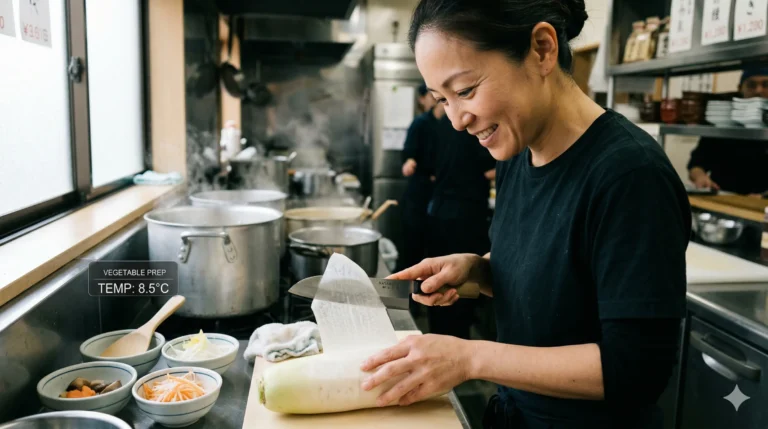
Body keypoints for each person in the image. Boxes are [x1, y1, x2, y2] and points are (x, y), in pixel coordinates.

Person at [358, 1, 691, 428]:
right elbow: (560, 281)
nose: (457, 120)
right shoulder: (517, 154)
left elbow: (638, 369)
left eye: (465, 90)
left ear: (542, 49)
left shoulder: (630, 175)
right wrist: (478, 271)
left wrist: (470, 357)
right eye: (442, 99)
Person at [687, 65, 768, 197]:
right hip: (723, 198)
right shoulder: (723, 123)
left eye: (766, 85)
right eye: (751, 85)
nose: (758, 90)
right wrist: (700, 177)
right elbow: (696, 164)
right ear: (740, 88)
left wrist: (764, 196)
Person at [397, 83, 443, 274]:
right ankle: (405, 283)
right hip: (419, 193)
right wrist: (409, 161)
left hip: (440, 193)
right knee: (412, 246)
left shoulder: (450, 126)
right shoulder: (420, 123)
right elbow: (408, 152)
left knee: (433, 248)